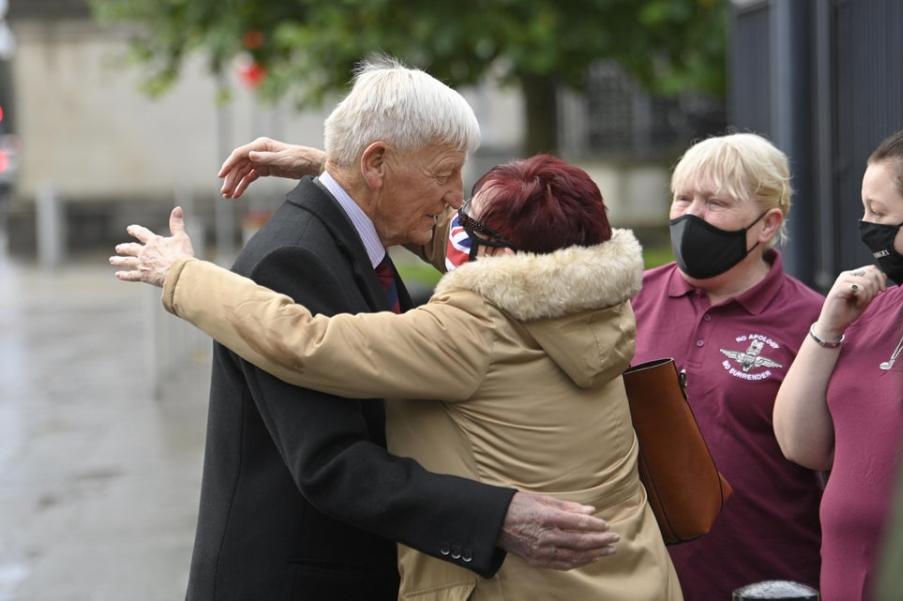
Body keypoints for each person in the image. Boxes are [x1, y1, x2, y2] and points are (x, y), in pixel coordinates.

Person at [111, 58, 618, 601]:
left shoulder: (356, 227)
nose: (455, 197)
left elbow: (482, 252)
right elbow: (332, 463)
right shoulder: (293, 257)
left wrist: (320, 165)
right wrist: (497, 517)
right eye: (445, 173)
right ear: (376, 163)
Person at [628, 133, 824, 598]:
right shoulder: (627, 301)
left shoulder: (814, 322)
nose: (692, 216)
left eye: (715, 202)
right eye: (683, 198)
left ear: (766, 224)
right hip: (641, 578)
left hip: (767, 578)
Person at [773, 125, 903, 601]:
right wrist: (827, 329)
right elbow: (802, 445)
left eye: (879, 212)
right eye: (864, 208)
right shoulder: (875, 307)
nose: (866, 225)